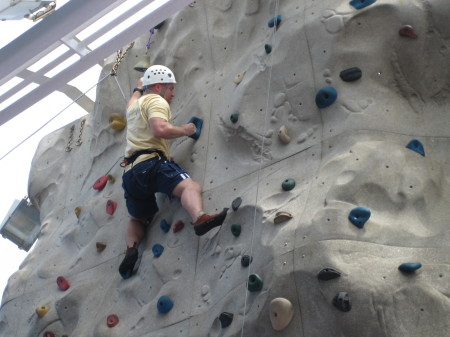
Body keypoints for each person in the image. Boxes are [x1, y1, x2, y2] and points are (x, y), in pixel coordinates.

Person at [118, 65, 228, 279]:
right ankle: (199, 217)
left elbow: (131, 100)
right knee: (189, 186)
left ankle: (131, 249)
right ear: (158, 87)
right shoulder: (156, 101)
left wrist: (138, 87)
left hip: (130, 174)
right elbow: (159, 129)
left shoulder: (134, 107)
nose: (173, 95)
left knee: (138, 219)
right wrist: (186, 130)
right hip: (151, 164)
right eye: (171, 89)